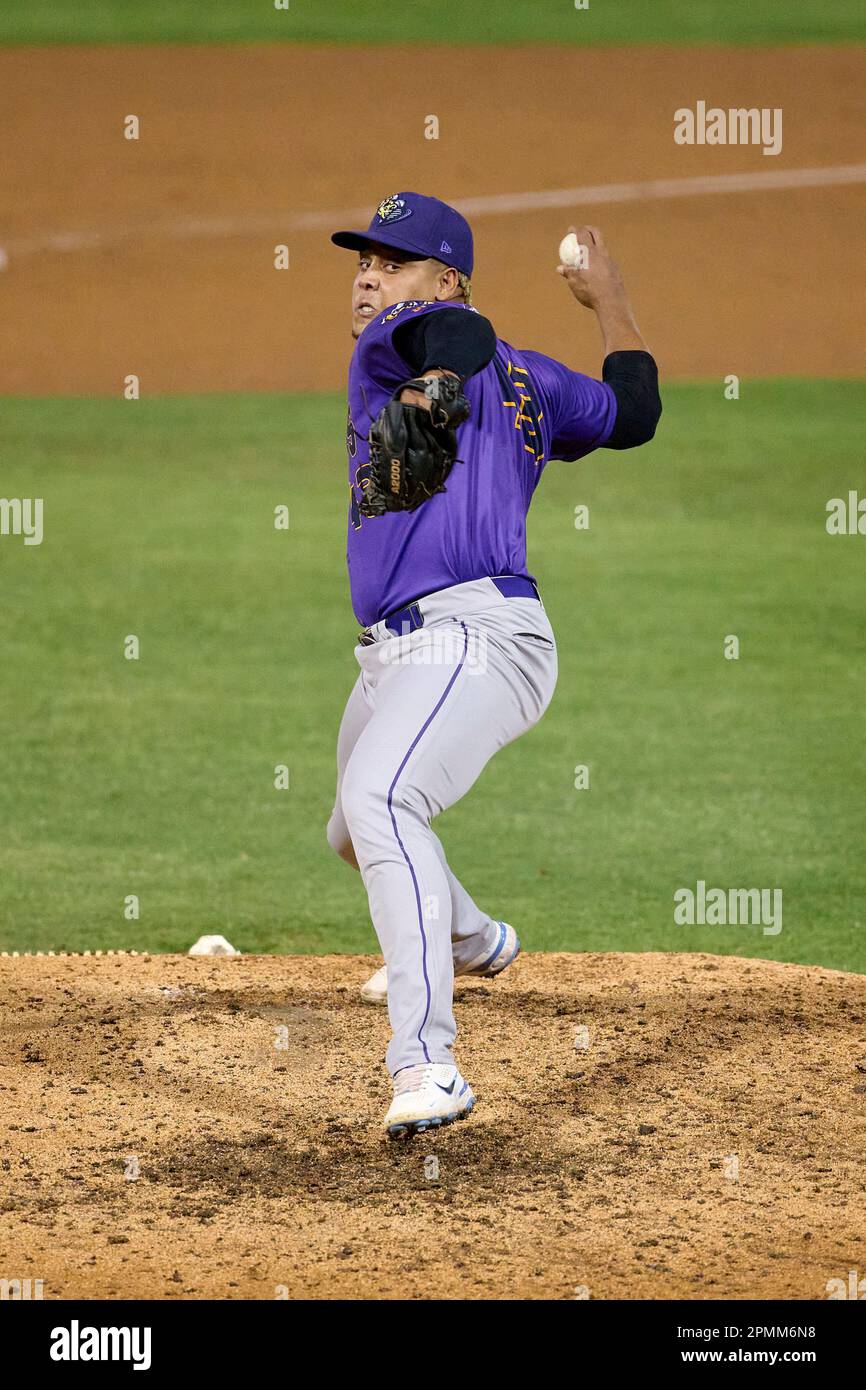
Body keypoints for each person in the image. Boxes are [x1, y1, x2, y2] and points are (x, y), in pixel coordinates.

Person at [326, 191, 661, 1138]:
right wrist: (612, 311)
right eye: (361, 261)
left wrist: (607, 299)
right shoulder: (505, 372)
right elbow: (631, 410)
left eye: (391, 263)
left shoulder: (412, 339)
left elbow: (465, 346)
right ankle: (473, 939)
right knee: (351, 831)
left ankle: (428, 1065)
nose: (366, 278)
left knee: (385, 803)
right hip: (398, 653)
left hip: (477, 635)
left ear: (447, 280)